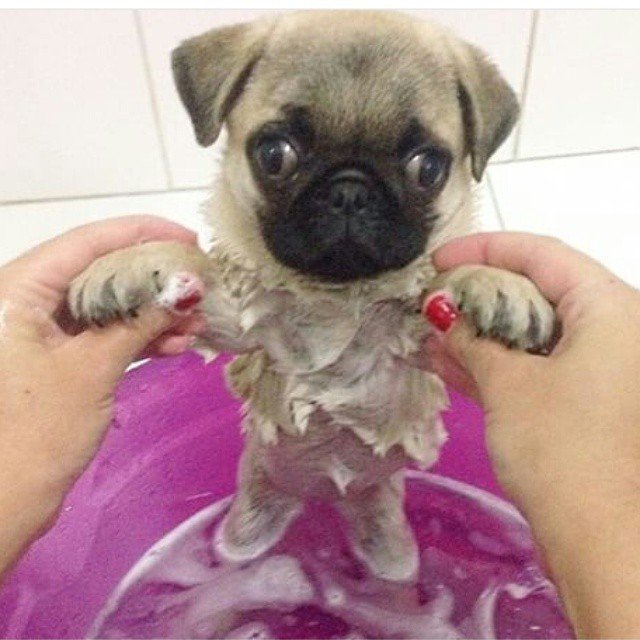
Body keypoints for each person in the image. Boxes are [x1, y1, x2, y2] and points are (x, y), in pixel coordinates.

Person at [0, 217, 638, 637]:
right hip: (270, 474)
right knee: (245, 546)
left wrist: (482, 290)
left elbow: (447, 322)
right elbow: (205, 303)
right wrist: (163, 267)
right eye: (277, 155)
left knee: (392, 567)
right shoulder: (264, 304)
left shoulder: (422, 303)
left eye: (422, 166)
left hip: (377, 487)